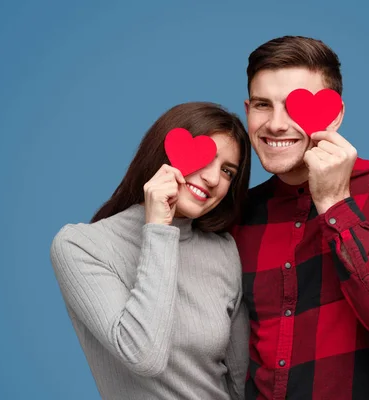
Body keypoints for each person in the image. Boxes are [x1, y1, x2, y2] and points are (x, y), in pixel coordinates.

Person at [231, 36, 369, 399]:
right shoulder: (240, 214)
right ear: (248, 109)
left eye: (294, 106)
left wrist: (335, 204)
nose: (276, 125)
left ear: (335, 114)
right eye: (263, 105)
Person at [50, 102, 252, 400]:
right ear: (165, 151)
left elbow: (241, 381)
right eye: (205, 156)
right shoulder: (81, 246)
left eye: (227, 171)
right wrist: (158, 228)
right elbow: (145, 355)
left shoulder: (223, 251)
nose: (212, 179)